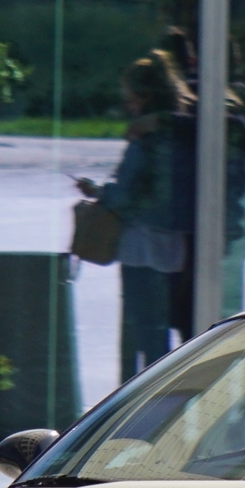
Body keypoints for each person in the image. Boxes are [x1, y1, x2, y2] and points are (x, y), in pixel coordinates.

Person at [77, 51, 195, 381]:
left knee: (144, 337)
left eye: (129, 98)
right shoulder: (181, 130)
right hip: (173, 248)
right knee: (166, 333)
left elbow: (128, 194)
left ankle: (141, 405)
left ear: (143, 97)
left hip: (141, 248)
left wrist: (100, 193)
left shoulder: (146, 137)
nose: (127, 105)